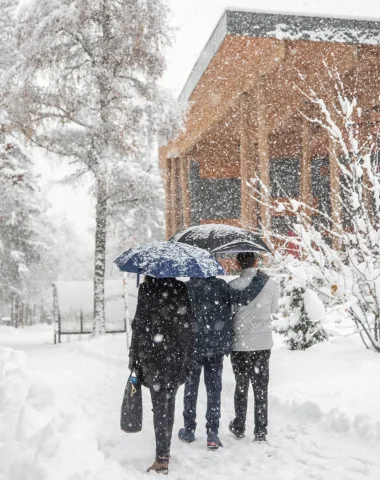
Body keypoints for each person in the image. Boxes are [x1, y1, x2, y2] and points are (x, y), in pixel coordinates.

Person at [178, 276, 259, 450]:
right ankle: (212, 433)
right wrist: (259, 280)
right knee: (214, 389)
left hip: (192, 347)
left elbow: (178, 315)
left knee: (190, 388)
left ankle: (189, 429)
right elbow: (244, 297)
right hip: (216, 347)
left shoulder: (186, 288)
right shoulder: (220, 285)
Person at [129, 275, 195, 475]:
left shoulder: (146, 289)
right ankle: (164, 451)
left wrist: (134, 356)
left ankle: (162, 457)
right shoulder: (180, 288)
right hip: (175, 356)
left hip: (153, 356)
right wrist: (187, 355)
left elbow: (139, 325)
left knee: (159, 405)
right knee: (169, 401)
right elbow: (189, 324)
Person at [228, 252, 279, 443]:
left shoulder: (232, 286)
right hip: (262, 344)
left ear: (237, 263)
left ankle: (239, 425)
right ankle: (260, 431)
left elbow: (229, 312)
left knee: (241, 386)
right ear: (256, 262)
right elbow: (273, 309)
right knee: (261, 388)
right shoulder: (271, 285)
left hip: (240, 344)